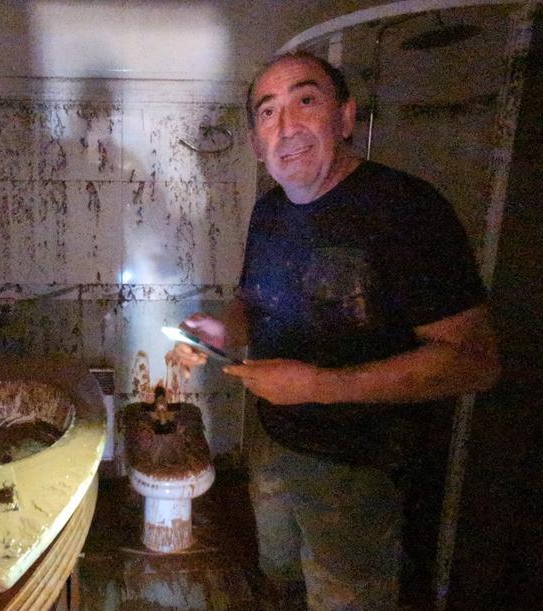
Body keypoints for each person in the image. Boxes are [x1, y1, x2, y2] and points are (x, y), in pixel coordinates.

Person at [173, 51, 500, 610]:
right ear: (256, 141)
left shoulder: (408, 211)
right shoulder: (270, 212)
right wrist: (222, 328)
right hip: (274, 441)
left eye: (306, 100)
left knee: (345, 596)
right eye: (268, 112)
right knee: (281, 575)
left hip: (362, 466)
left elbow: (475, 361)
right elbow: (253, 302)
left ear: (345, 118)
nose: (287, 127)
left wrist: (318, 385)